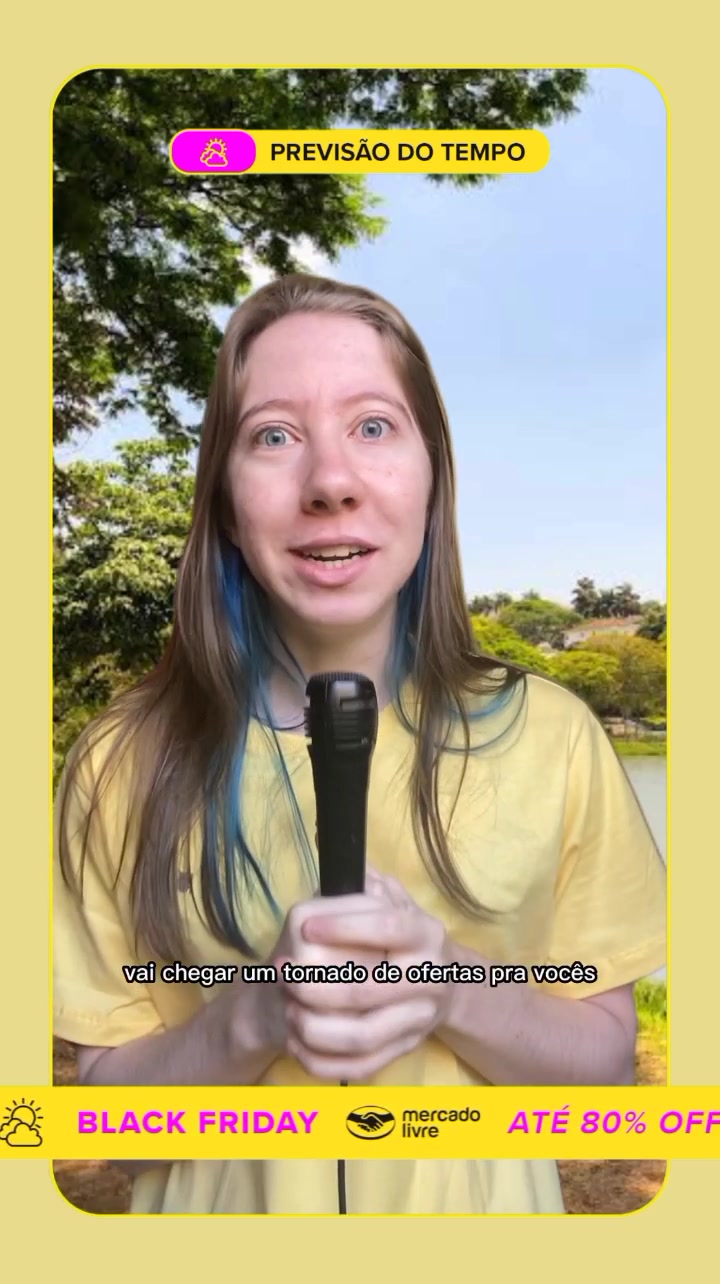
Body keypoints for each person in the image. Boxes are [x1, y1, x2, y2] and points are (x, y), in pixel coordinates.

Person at [54, 273, 666, 1216]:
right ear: (225, 500)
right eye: (274, 436)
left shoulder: (555, 736)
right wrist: (255, 1015)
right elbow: (106, 1128)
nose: (331, 483)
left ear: (432, 476)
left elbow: (603, 1081)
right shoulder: (116, 763)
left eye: (374, 426)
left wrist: (450, 990)